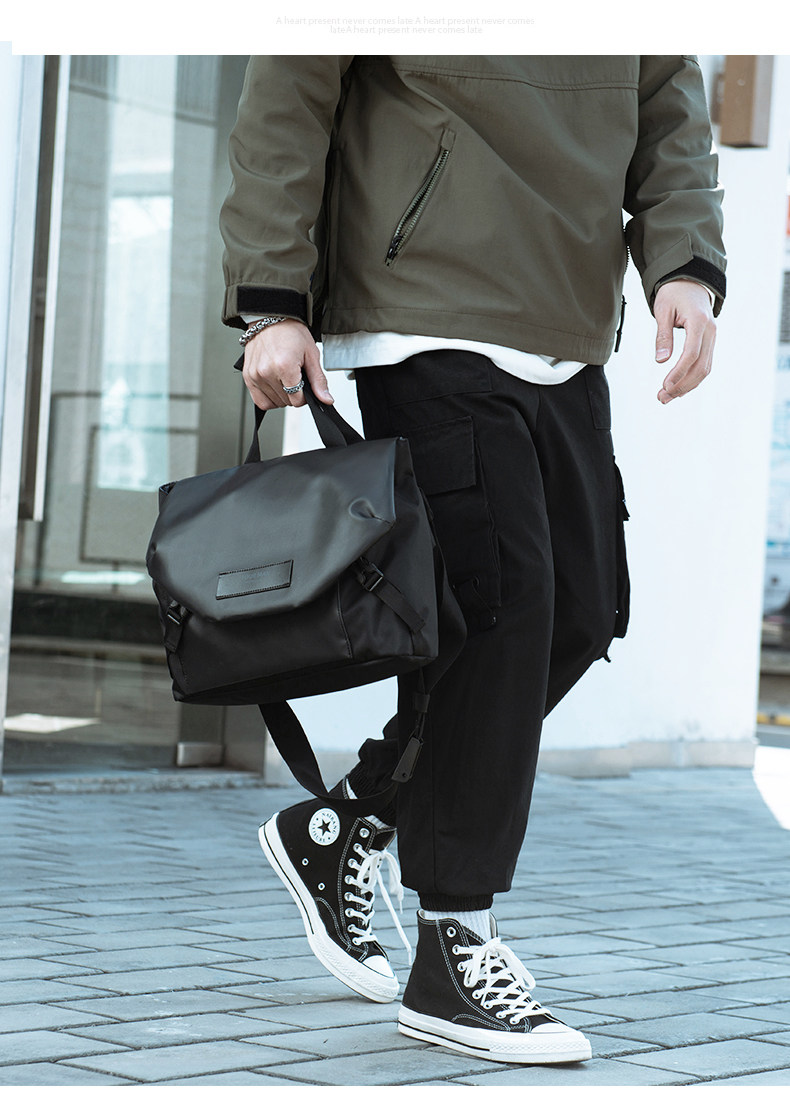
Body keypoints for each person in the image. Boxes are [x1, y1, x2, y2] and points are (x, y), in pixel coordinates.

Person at [219, 55, 725, 1065]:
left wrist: (684, 263)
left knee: (581, 613)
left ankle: (349, 821)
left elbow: (669, 106)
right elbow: (290, 88)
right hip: (425, 312)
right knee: (501, 616)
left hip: (566, 325)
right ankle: (453, 949)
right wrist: (272, 296)